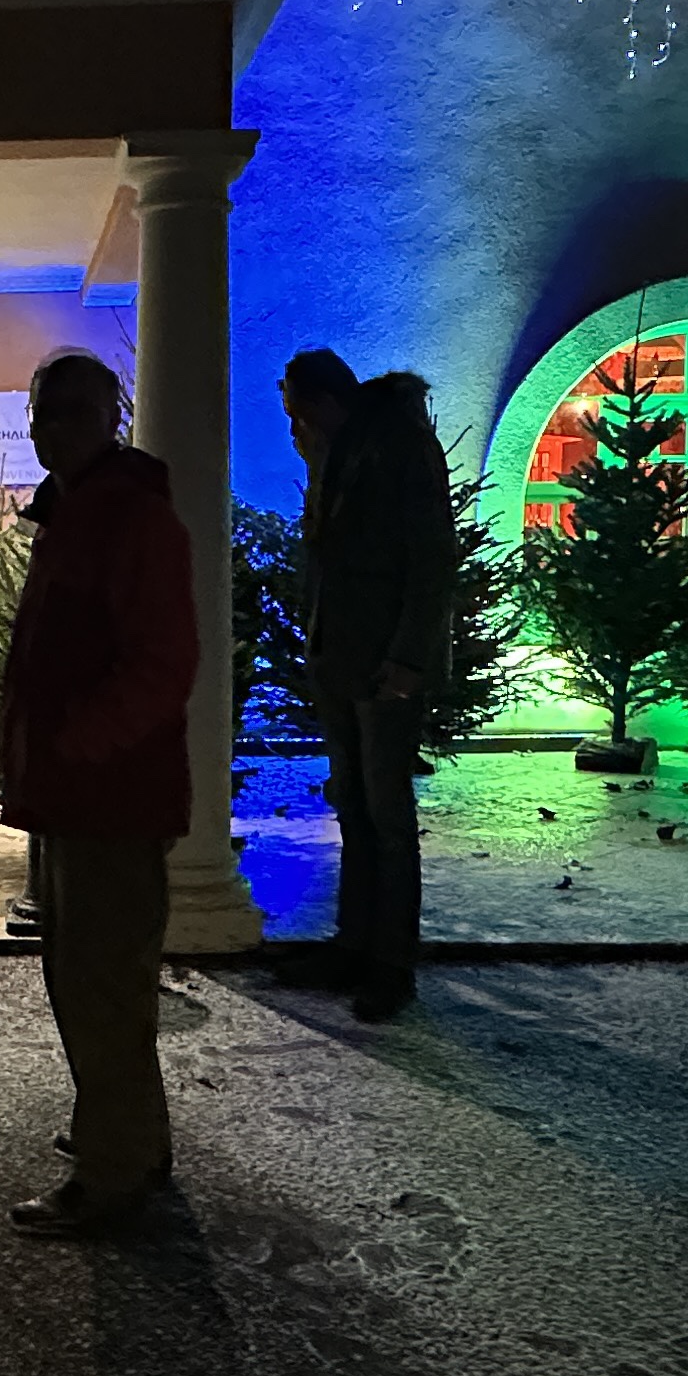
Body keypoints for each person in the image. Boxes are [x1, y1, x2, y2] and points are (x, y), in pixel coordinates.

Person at [0, 349, 198, 1236]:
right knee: (91, 979)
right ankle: (129, 1137)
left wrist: (78, 748)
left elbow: (163, 665)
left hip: (108, 797)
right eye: (42, 412)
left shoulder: (130, 518)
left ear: (109, 418)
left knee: (102, 985)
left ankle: (113, 1175)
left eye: (70, 412)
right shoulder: (75, 510)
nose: (49, 429)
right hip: (72, 794)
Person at [276, 346, 459, 1022]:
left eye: (298, 414)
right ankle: (353, 945)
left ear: (325, 402)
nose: (294, 429)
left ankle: (391, 964)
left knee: (387, 815)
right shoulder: (342, 451)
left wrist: (408, 660)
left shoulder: (397, 447)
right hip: (344, 657)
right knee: (354, 806)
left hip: (384, 666)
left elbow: (430, 560)